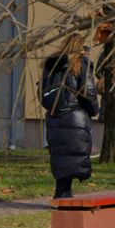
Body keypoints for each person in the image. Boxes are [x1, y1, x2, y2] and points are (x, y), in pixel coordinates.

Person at [41, 33, 100, 199]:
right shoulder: (81, 64)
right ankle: (64, 195)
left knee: (60, 155)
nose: (87, 51)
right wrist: (95, 109)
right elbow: (88, 91)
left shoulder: (50, 65)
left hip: (54, 116)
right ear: (80, 48)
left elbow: (42, 92)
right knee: (74, 156)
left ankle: (62, 193)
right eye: (85, 48)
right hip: (75, 116)